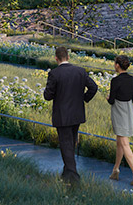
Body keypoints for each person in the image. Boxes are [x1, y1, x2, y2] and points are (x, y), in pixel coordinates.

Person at [43, 47, 97, 185]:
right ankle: (67, 172)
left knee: (66, 144)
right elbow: (93, 87)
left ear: (56, 58)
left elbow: (48, 96)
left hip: (62, 115)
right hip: (77, 114)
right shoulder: (80, 71)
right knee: (71, 143)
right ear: (68, 57)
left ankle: (73, 176)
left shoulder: (54, 74)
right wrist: (84, 98)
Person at [107, 55, 133, 186]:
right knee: (120, 142)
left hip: (119, 111)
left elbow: (111, 101)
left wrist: (108, 97)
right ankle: (115, 170)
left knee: (124, 143)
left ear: (117, 65)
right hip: (128, 110)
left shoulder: (115, 81)